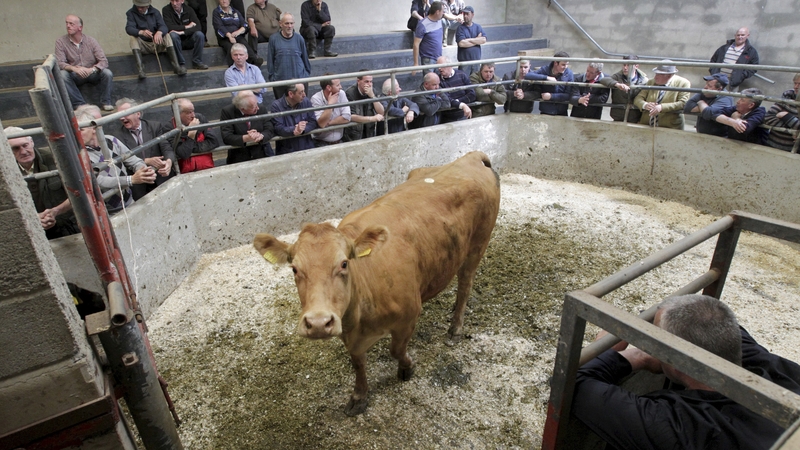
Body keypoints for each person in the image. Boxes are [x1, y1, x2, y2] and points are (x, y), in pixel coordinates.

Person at [573, 294, 800, 450]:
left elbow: (575, 383)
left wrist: (627, 354)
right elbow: (707, 320)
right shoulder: (777, 369)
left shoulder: (680, 427)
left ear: (678, 362)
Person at [74, 110, 156, 213]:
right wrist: (130, 179)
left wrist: (143, 171)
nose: (76, 135)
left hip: (129, 202)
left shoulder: (111, 140)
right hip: (106, 212)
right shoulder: (79, 154)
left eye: (80, 130)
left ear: (94, 128)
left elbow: (133, 160)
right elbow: (97, 181)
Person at [5, 127, 79, 239]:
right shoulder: (5, 171)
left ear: (32, 142)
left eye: (25, 145)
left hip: (69, 227)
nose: (24, 152)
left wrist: (56, 211)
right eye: (15, 148)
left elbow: (80, 192)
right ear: (6, 151)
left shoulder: (56, 158)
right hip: (31, 233)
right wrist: (32, 218)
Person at [110, 99, 175, 200]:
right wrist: (146, 161)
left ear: (138, 113)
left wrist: (169, 163)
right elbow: (122, 162)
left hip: (161, 178)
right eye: (119, 115)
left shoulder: (155, 126)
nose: (122, 118)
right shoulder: (117, 136)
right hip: (140, 187)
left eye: (125, 114)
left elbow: (167, 148)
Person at [55, 15, 114, 111]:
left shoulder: (91, 41)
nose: (68, 26)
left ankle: (106, 102)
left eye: (71, 24)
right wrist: (74, 68)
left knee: (107, 73)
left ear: (80, 27)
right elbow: (60, 63)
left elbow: (103, 61)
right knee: (62, 75)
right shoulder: (60, 42)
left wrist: (92, 69)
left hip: (92, 73)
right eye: (66, 23)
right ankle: (80, 105)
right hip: (75, 74)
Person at [125, 0, 187, 79]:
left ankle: (176, 66)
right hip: (144, 45)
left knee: (167, 35)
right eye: (138, 6)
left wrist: (160, 32)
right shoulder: (131, 13)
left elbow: (164, 26)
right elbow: (129, 28)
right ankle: (141, 70)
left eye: (142, 7)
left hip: (157, 43)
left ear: (147, 6)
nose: (140, 9)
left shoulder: (155, 12)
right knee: (132, 38)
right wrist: (140, 32)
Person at [220, 91, 275, 164]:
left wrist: (261, 136)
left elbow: (269, 128)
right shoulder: (227, 112)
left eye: (257, 104)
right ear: (242, 108)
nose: (257, 108)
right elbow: (227, 137)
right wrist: (247, 138)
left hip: (262, 153)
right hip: (240, 157)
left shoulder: (261, 108)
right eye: (253, 107)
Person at [632, 61, 691, 129]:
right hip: (647, 125)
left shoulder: (683, 83)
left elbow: (683, 103)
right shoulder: (651, 82)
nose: (655, 77)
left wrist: (662, 107)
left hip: (670, 126)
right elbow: (638, 98)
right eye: (656, 73)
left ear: (669, 76)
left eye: (659, 74)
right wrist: (645, 105)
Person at [267, 13, 312, 101]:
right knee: (283, 109)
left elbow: (305, 60)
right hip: (280, 82)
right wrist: (273, 78)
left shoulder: (299, 38)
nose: (290, 26)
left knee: (301, 109)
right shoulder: (273, 39)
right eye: (286, 23)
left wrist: (305, 76)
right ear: (280, 24)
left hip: (299, 82)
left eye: (291, 23)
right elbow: (270, 60)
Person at [168, 98, 221, 173]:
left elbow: (214, 142)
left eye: (193, 111)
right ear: (177, 114)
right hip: (185, 173)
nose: (193, 115)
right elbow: (184, 154)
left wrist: (192, 147)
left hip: (208, 168)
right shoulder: (169, 127)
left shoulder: (200, 118)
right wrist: (191, 136)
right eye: (188, 112)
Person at [270, 83, 318, 154]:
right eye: (301, 92)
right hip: (286, 150)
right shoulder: (276, 106)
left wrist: (302, 129)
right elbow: (278, 128)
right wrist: (294, 129)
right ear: (291, 94)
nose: (304, 95)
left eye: (304, 91)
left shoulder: (306, 101)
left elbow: (313, 121)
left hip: (307, 147)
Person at [213, 0, 263, 67]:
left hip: (237, 36)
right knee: (231, 47)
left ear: (230, 1)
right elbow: (218, 27)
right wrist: (229, 36)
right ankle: (232, 67)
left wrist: (238, 31)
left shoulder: (235, 11)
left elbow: (244, 24)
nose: (224, 1)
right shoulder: (216, 12)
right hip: (225, 38)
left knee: (244, 45)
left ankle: (254, 62)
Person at [600, 55, 648, 123]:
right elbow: (603, 79)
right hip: (618, 116)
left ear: (636, 66)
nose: (625, 68)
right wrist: (617, 84)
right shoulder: (618, 76)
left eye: (628, 65)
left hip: (635, 118)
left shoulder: (644, 80)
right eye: (624, 65)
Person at [162, 0, 208, 70]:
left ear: (182, 1)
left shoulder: (189, 9)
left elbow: (198, 27)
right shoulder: (166, 10)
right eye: (172, 0)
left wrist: (183, 32)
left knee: (200, 35)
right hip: (176, 41)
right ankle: (181, 64)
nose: (174, 3)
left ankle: (197, 62)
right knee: (173, 35)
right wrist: (186, 27)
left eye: (177, 1)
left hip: (188, 39)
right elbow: (169, 27)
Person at [524, 51, 574, 116]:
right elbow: (528, 75)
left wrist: (551, 96)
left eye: (567, 64)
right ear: (555, 63)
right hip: (546, 110)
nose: (566, 67)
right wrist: (547, 78)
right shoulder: (545, 69)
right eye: (563, 65)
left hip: (561, 111)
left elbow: (568, 95)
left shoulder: (569, 73)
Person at [343, 72, 385, 141]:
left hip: (369, 133)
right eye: (366, 81)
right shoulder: (350, 93)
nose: (369, 84)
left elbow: (381, 112)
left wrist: (373, 97)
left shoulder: (373, 91)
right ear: (358, 81)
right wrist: (371, 119)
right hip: (354, 135)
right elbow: (351, 116)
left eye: (371, 82)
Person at [309, 75, 350, 146]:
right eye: (338, 85)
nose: (341, 87)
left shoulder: (341, 93)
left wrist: (329, 123)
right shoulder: (316, 98)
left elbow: (347, 117)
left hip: (339, 141)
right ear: (329, 87)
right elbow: (321, 124)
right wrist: (330, 105)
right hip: (320, 143)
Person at [764, 73, 800, 152]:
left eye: (799, 84)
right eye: (795, 83)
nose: (796, 87)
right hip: (770, 146)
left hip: (793, 152)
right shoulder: (787, 96)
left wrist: (786, 116)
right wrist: (793, 130)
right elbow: (767, 118)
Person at [437, 56, 474, 123]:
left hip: (464, 114)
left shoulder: (462, 75)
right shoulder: (437, 80)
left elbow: (472, 94)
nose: (439, 69)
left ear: (450, 65)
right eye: (438, 66)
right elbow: (446, 100)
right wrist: (462, 105)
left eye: (442, 66)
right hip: (447, 117)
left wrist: (458, 101)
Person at [412, 1, 445, 75]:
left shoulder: (440, 21)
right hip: (428, 59)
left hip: (439, 57)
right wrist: (416, 63)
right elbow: (416, 44)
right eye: (442, 11)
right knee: (430, 81)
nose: (443, 13)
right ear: (437, 12)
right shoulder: (423, 24)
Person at [455, 6, 485, 76]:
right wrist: (476, 40)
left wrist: (469, 40)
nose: (465, 16)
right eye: (464, 14)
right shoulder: (460, 28)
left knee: (475, 82)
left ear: (472, 15)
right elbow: (461, 44)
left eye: (467, 14)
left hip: (476, 62)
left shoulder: (478, 27)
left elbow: (483, 40)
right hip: (464, 63)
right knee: (464, 84)